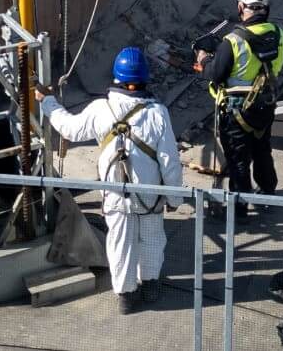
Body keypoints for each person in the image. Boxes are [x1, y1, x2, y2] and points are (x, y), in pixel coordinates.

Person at [37, 46, 182, 314]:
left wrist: (48, 102)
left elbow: (69, 128)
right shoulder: (158, 113)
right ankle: (150, 286)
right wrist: (174, 198)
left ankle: (126, 297)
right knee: (152, 240)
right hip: (150, 196)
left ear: (116, 76)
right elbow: (169, 162)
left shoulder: (100, 109)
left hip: (115, 196)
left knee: (119, 245)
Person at [194, 0, 283, 213]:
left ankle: (238, 210)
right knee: (262, 149)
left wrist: (204, 59)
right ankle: (269, 194)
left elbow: (215, 75)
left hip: (235, 113)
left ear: (241, 7)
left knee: (238, 159)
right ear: (266, 8)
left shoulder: (233, 41)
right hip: (265, 106)